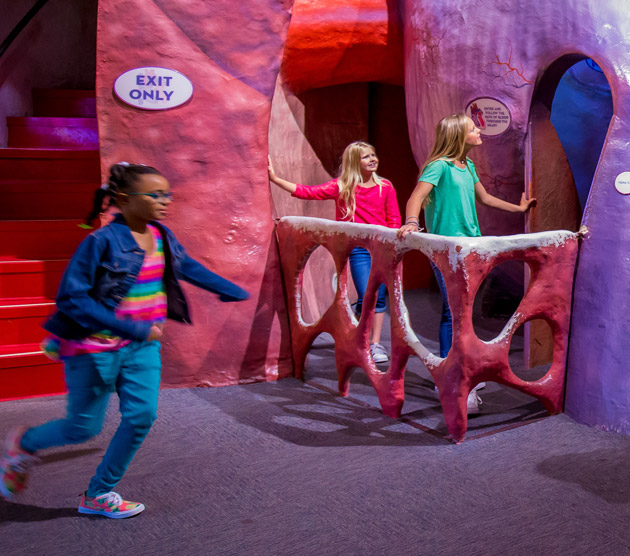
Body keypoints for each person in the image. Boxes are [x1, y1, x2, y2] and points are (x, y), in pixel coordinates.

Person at [0, 163, 248, 516]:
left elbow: (185, 266)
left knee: (141, 416)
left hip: (143, 347)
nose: (165, 201)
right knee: (82, 428)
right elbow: (72, 298)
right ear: (123, 199)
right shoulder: (100, 242)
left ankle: (98, 493)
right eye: (155, 195)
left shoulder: (161, 235)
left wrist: (227, 289)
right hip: (93, 347)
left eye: (167, 195)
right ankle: (23, 444)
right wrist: (130, 327)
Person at [399, 114, 534, 413]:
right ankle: (449, 373)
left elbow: (484, 198)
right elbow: (416, 198)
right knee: (452, 312)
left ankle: (461, 365)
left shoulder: (468, 166)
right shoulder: (439, 166)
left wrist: (519, 208)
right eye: (473, 129)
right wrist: (411, 222)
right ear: (459, 135)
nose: (479, 131)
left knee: (465, 311)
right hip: (447, 248)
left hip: (472, 245)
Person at [268, 142, 400, 365]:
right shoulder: (343, 186)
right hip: (359, 251)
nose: (372, 159)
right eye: (366, 156)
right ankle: (360, 324)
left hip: (382, 250)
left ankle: (375, 343)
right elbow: (307, 192)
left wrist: (393, 246)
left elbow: (394, 219)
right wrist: (275, 179)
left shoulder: (384, 187)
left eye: (373, 154)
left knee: (377, 296)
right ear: (354, 162)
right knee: (367, 294)